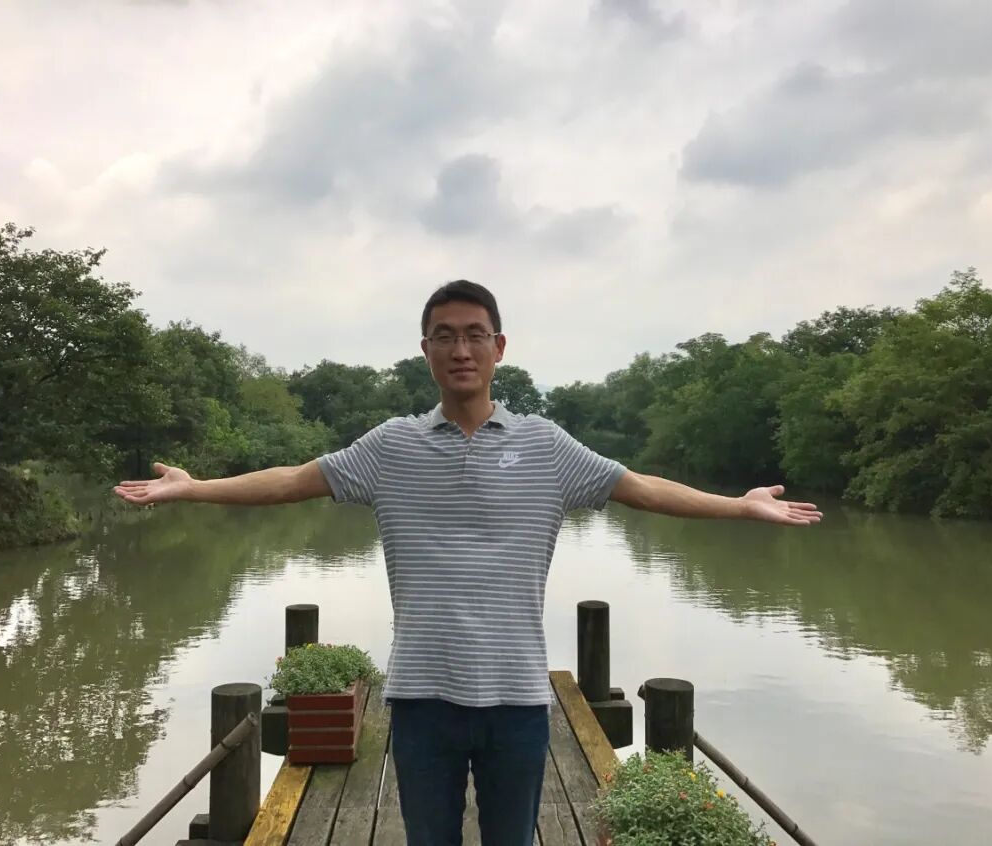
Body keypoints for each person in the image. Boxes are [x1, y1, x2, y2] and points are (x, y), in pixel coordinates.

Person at [114, 280, 822, 846]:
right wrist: (195, 488)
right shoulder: (391, 447)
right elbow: (292, 481)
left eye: (475, 334)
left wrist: (739, 506)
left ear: (498, 347)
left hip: (519, 698)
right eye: (445, 336)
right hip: (422, 697)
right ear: (425, 350)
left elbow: (641, 489)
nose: (461, 349)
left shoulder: (545, 446)